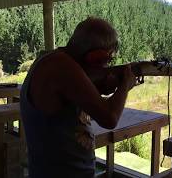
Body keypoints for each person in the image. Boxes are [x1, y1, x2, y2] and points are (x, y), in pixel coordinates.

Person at [20, 17, 136, 178]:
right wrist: (125, 85)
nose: (106, 65)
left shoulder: (58, 61)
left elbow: (71, 100)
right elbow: (109, 118)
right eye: (107, 58)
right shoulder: (61, 66)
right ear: (95, 55)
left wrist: (99, 89)